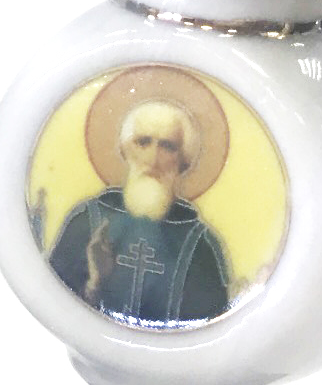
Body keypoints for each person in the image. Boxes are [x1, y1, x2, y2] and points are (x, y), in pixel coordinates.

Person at [47, 98, 230, 326]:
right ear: (125, 150)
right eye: (143, 142)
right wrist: (95, 283)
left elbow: (209, 325)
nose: (153, 159)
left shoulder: (200, 246)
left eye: (168, 146)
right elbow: (52, 306)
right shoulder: (86, 220)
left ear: (183, 161)